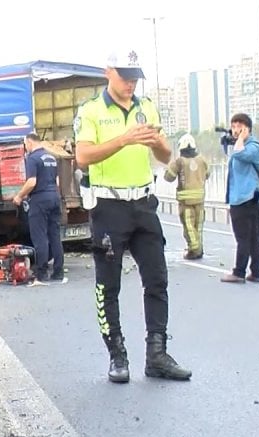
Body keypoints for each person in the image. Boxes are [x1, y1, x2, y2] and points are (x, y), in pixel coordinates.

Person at [74, 49, 192, 384]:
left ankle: (157, 354)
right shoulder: (91, 110)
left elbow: (167, 155)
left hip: (144, 203)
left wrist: (156, 142)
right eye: (124, 75)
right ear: (107, 71)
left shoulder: (147, 107)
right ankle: (117, 355)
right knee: (108, 286)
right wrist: (124, 139)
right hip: (109, 206)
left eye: (135, 76)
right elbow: (82, 157)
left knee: (157, 280)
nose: (130, 83)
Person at [13, 133, 66, 285]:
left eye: (25, 144)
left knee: (40, 237)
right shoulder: (51, 158)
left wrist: (19, 196)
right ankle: (58, 272)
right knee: (55, 236)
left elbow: (31, 182)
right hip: (54, 197)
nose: (25, 147)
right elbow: (57, 181)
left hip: (40, 199)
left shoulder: (32, 158)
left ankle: (42, 273)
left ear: (29, 142)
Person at [221, 113, 259, 284]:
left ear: (247, 128)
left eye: (239, 126)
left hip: (247, 199)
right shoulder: (242, 145)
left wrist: (241, 138)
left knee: (244, 238)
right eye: (233, 126)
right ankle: (256, 272)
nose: (235, 130)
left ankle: (239, 272)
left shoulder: (253, 147)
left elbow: (240, 154)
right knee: (253, 238)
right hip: (243, 198)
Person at [163, 134, 210, 260]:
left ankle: (194, 249)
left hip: (186, 202)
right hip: (200, 200)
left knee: (189, 227)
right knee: (198, 227)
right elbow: (208, 174)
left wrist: (168, 169)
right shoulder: (202, 160)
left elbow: (169, 177)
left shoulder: (179, 161)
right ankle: (198, 248)